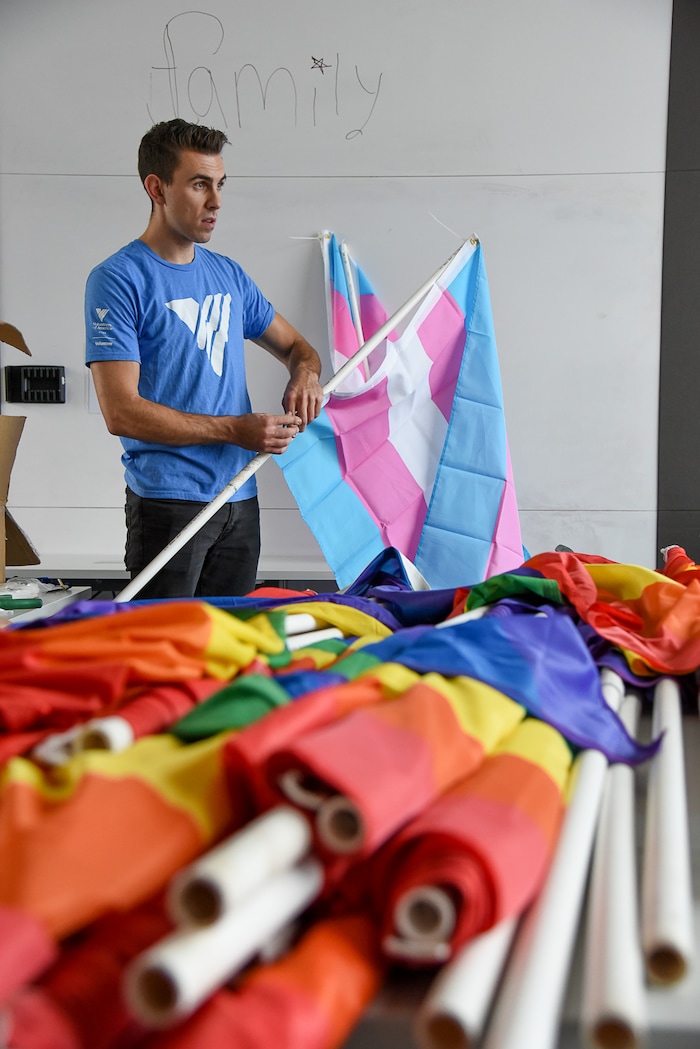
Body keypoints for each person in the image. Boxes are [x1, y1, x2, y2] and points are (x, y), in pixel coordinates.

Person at [85, 119, 324, 599]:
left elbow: (302, 349)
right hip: (168, 505)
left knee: (227, 656)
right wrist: (235, 430)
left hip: (240, 497)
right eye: (199, 185)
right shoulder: (118, 279)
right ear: (156, 188)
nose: (216, 202)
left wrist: (305, 376)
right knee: (165, 657)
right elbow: (120, 412)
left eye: (219, 185)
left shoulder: (229, 276)